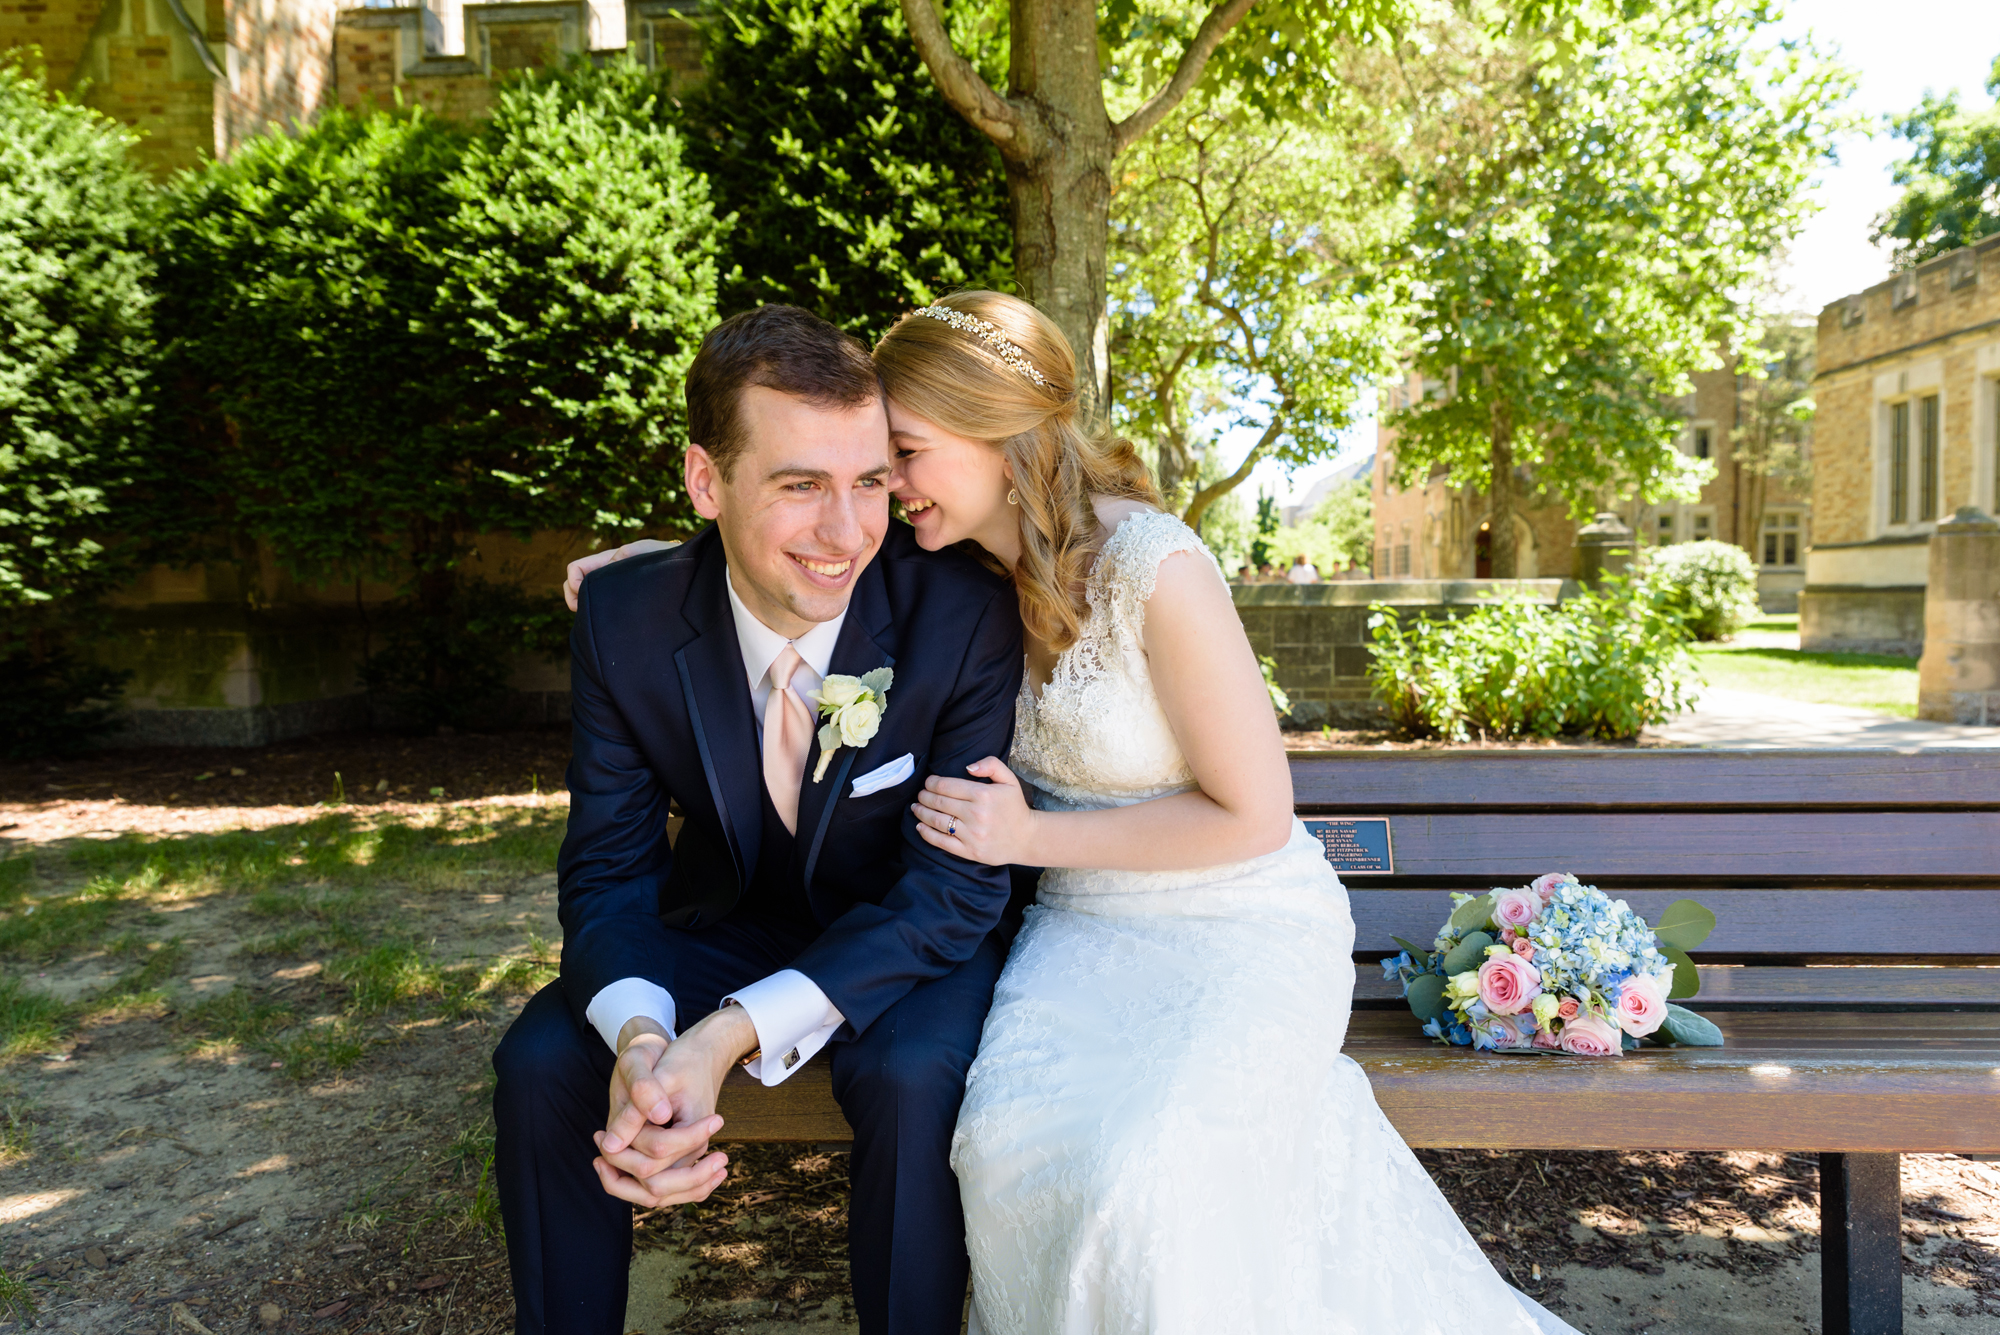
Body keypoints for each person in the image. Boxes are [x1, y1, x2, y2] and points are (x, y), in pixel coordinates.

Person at [569, 293, 1578, 1335]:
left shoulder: (1153, 566)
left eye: (898, 457)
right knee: (1007, 1146)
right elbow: (785, 551)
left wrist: (1031, 838)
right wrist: (648, 566)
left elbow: (1256, 815)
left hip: (1234, 923)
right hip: (1082, 931)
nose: (881, 492)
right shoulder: (954, 569)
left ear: (994, 440)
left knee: (1147, 1163)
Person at [499, 304, 1025, 1335]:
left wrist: (727, 1038)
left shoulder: (956, 613)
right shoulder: (625, 616)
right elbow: (606, 872)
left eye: (868, 482)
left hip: (908, 931)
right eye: (798, 486)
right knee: (545, 1061)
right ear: (706, 483)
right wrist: (650, 1044)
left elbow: (956, 889)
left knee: (911, 1076)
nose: (846, 533)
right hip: (728, 923)